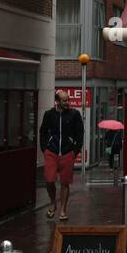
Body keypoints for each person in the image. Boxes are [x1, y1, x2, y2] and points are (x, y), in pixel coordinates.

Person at [40, 90, 84, 221]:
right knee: (49, 180)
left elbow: (80, 134)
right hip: (51, 152)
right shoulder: (49, 114)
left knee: (65, 182)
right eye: (64, 101)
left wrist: (74, 151)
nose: (67, 103)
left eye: (68, 100)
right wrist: (45, 148)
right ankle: (53, 203)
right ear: (57, 101)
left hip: (67, 152)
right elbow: (42, 132)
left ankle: (63, 210)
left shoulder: (74, 114)